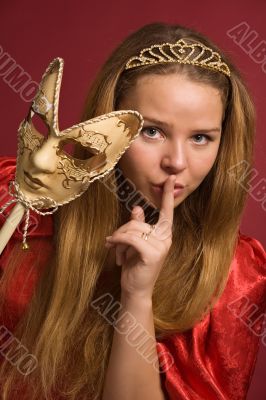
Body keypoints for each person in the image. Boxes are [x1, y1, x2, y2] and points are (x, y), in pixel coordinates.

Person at [0, 21, 265, 400]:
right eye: (153, 131)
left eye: (201, 138)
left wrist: (137, 295)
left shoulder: (237, 275)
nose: (176, 162)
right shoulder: (18, 199)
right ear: (110, 123)